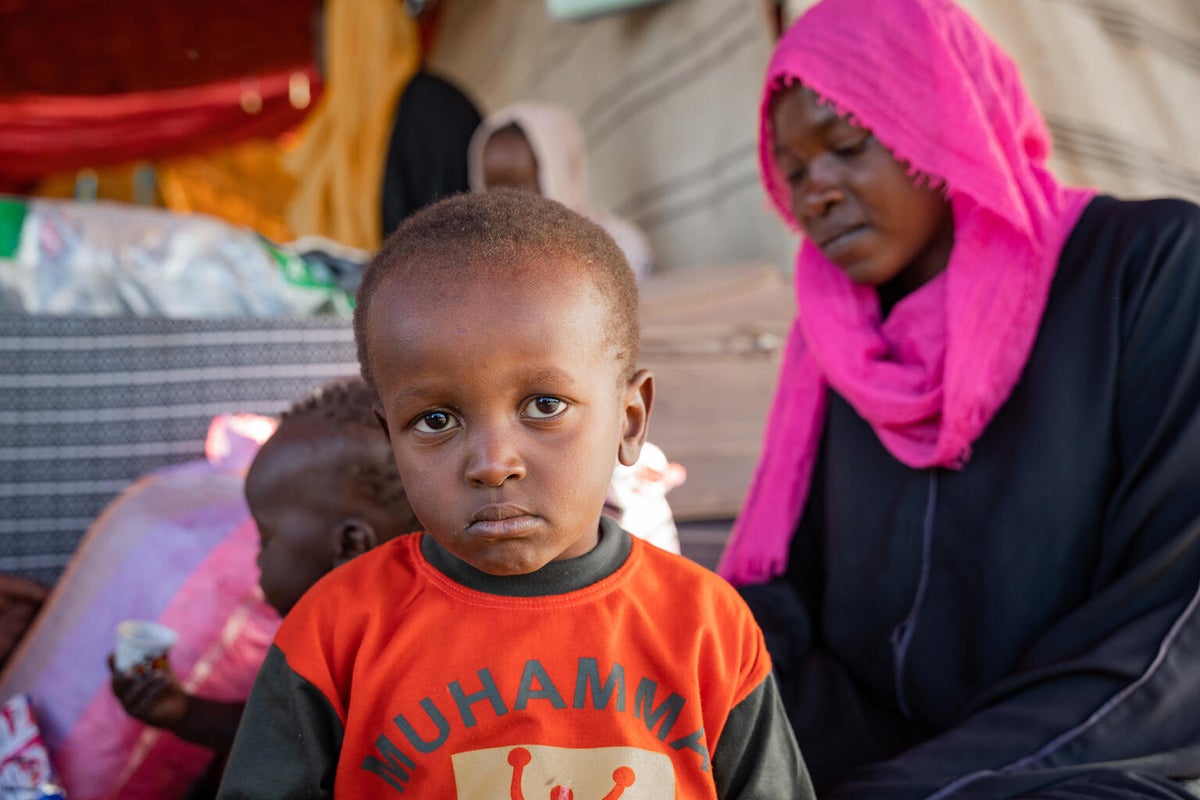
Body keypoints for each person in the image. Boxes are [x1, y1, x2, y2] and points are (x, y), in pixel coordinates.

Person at [718, 0, 1200, 798]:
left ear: (941, 117)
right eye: (794, 171)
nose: (817, 195)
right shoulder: (837, 339)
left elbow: (1174, 629)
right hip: (875, 747)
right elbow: (792, 599)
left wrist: (916, 787)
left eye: (845, 146)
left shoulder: (1150, 270)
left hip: (1081, 751)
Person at [217, 189, 813, 798]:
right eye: (435, 420)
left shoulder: (707, 626)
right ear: (390, 441)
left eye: (545, 406)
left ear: (629, 421)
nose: (492, 464)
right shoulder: (335, 634)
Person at [110, 376, 421, 788]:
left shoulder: (381, 662)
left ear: (349, 545)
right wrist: (183, 712)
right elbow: (282, 728)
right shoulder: (336, 638)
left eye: (266, 536)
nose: (256, 557)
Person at [468, 102, 655, 280]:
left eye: (518, 184)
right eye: (491, 184)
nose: (502, 198)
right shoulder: (478, 263)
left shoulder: (620, 249)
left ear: (559, 175)